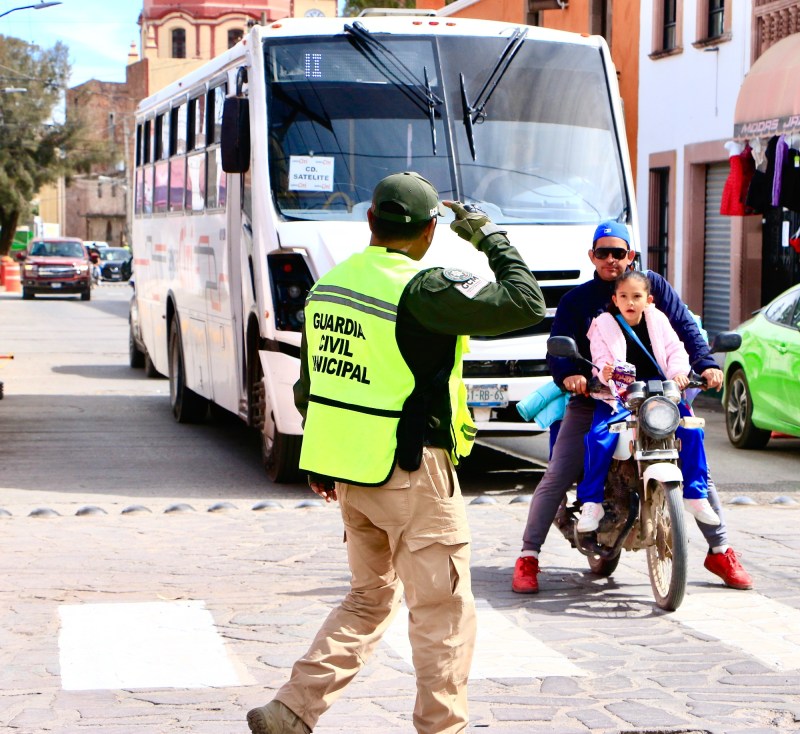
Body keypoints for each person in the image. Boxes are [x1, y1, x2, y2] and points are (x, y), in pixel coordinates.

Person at [247, 171, 545, 734]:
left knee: (367, 598)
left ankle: (292, 708)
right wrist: (487, 237)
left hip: (351, 473)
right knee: (442, 612)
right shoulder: (423, 288)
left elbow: (312, 387)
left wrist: (323, 461)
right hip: (414, 474)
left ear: (370, 222)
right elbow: (525, 302)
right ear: (431, 229)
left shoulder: (330, 284)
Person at [512, 220, 753, 594]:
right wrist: (570, 377)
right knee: (559, 472)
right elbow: (558, 347)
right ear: (592, 256)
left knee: (695, 457)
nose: (611, 259)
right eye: (603, 253)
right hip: (599, 400)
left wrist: (704, 364)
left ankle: (720, 549)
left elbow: (685, 333)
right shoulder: (579, 301)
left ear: (632, 257)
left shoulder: (655, 290)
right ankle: (529, 556)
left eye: (618, 253)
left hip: (658, 400)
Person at [575, 270, 719, 532]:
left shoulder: (659, 320)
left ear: (648, 299)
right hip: (619, 395)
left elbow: (677, 350)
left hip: (662, 393)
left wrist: (678, 374)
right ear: (615, 299)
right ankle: (592, 503)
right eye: (624, 296)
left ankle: (696, 495)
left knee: (692, 429)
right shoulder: (602, 324)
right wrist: (605, 373)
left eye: (636, 296)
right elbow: (600, 359)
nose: (630, 302)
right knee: (599, 437)